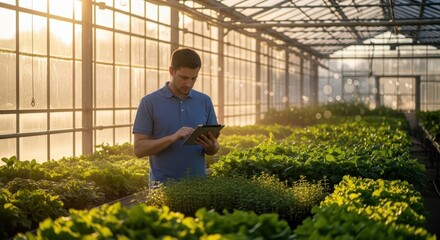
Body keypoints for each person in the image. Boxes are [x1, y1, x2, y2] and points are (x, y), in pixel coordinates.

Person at [132, 48, 220, 188]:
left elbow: (213, 149)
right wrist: (172, 138)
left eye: (194, 78)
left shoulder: (204, 101)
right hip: (162, 189)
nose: (189, 84)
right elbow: (139, 149)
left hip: (199, 187)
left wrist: (212, 146)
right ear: (171, 71)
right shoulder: (149, 102)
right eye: (184, 78)